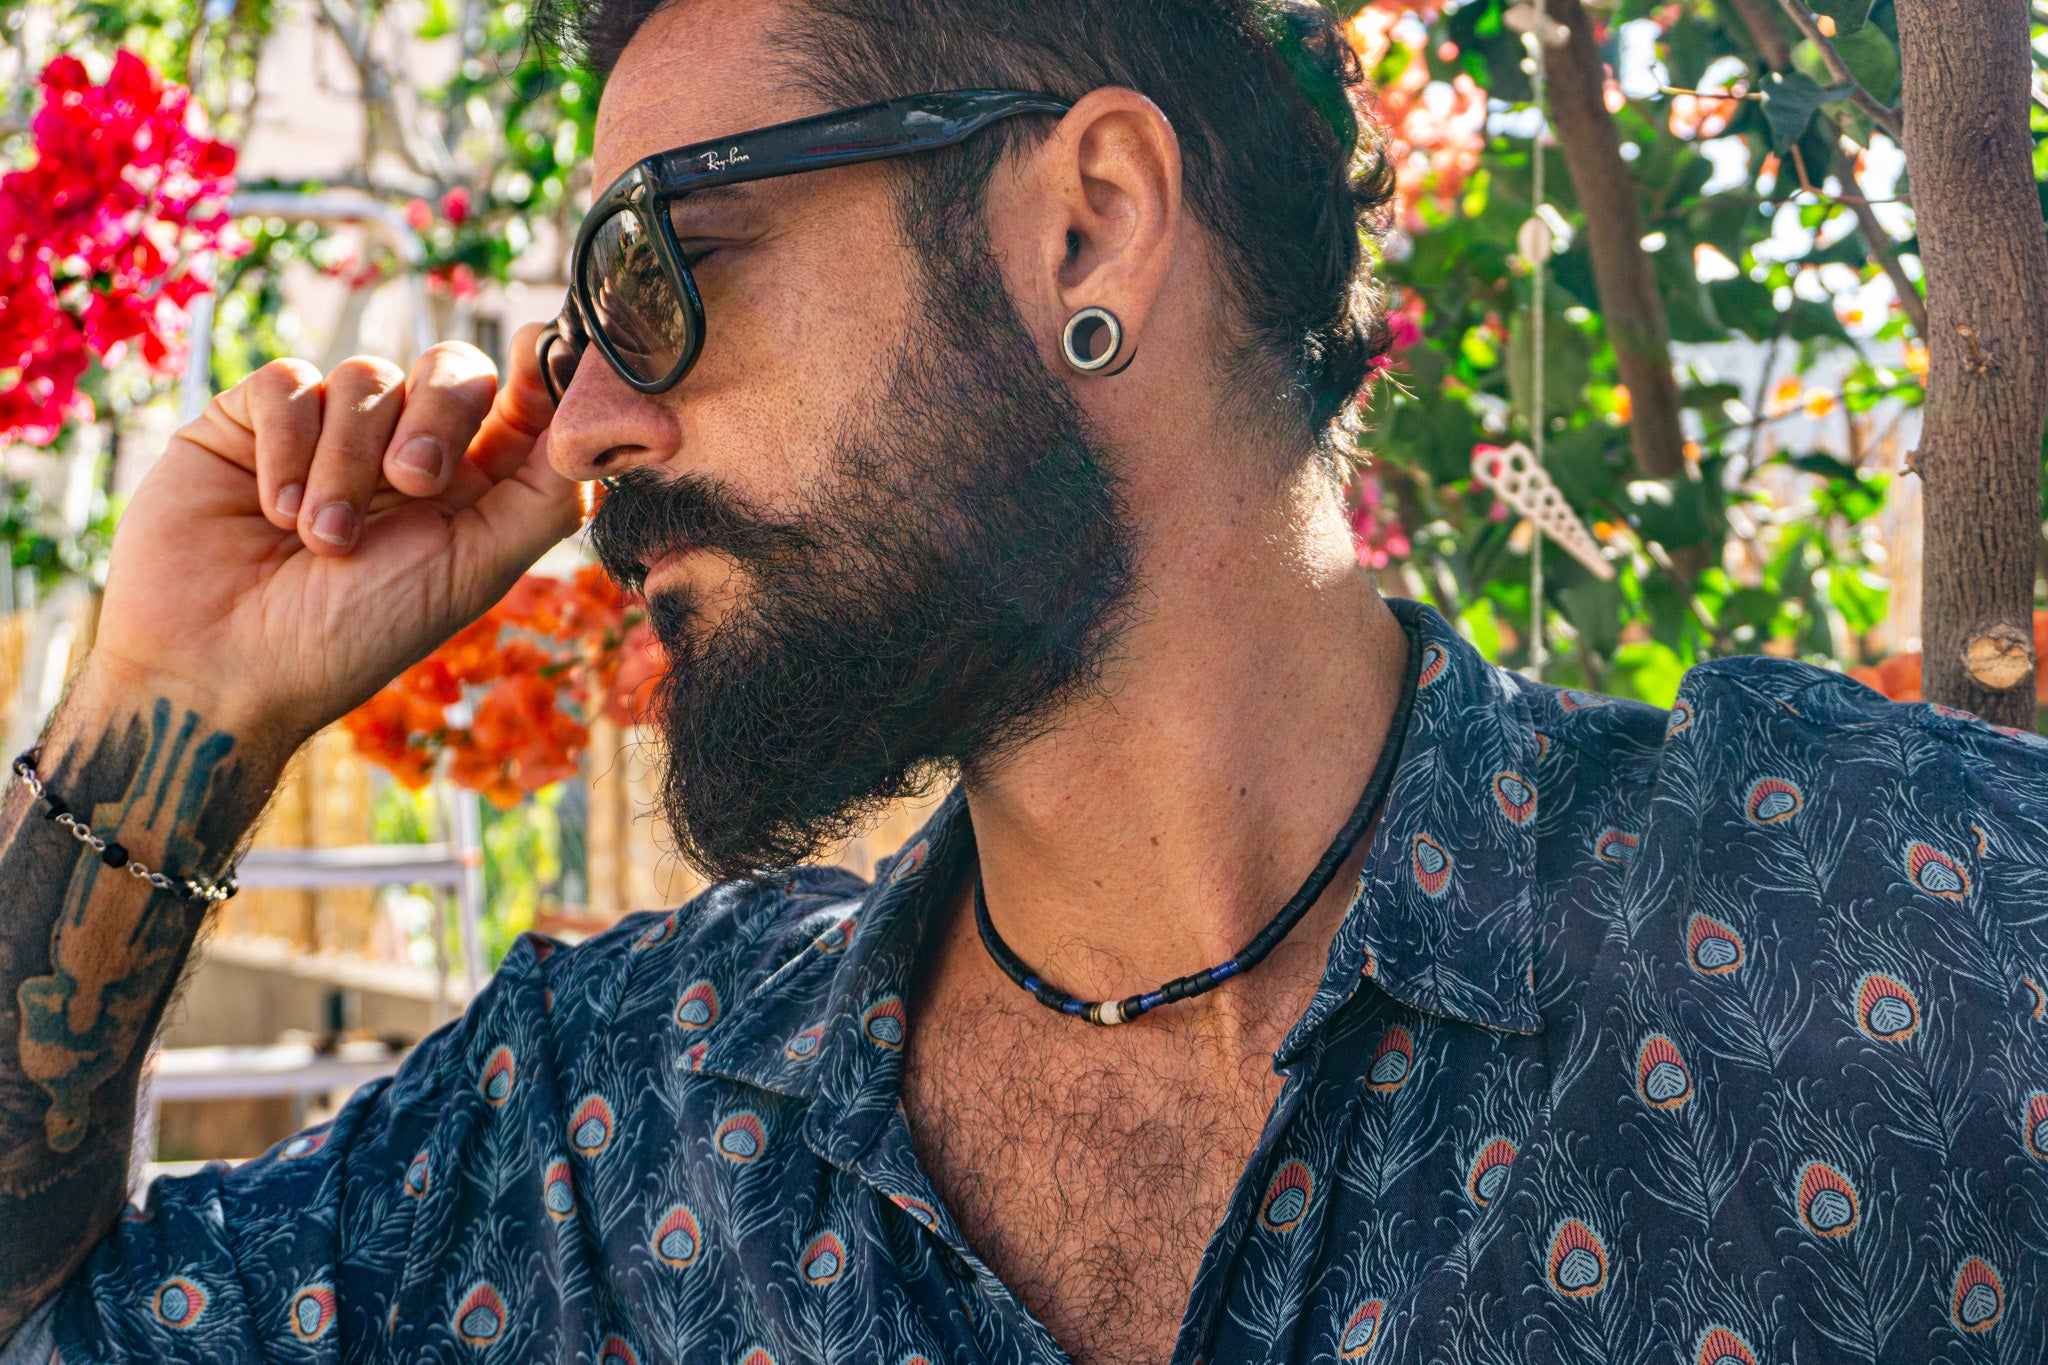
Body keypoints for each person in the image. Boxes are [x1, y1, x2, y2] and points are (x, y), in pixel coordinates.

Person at [2, 0, 2045, 1360]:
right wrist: (169, 715)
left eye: (655, 268)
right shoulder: (603, 1135)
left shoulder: (1886, 922)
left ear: (1088, 227)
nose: (587, 419)